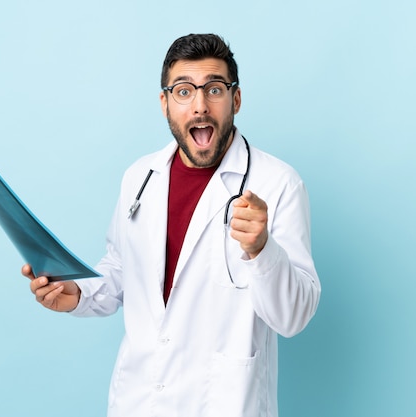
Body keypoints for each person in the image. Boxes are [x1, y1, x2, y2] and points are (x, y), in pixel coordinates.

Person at [22, 33, 321, 417]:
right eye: (183, 91)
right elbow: (119, 271)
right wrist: (76, 293)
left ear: (236, 99)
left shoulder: (278, 184)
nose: (199, 106)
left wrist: (262, 249)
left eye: (214, 89)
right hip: (139, 402)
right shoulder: (139, 177)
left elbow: (293, 317)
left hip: (224, 404)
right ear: (164, 103)